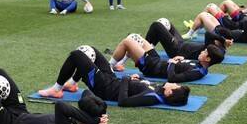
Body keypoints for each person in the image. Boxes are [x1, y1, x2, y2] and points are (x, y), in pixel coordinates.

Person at [39, 48, 191, 107]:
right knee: (90, 51)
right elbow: (137, 87)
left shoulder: (152, 97)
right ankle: (72, 83)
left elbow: (123, 102)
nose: (174, 83)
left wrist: (126, 79)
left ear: (169, 93)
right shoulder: (158, 90)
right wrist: (136, 79)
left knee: (76, 55)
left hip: (103, 87)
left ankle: (56, 89)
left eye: (175, 86)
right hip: (111, 79)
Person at [107, 33, 224, 82]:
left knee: (127, 41)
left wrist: (172, 63)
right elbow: (185, 65)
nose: (202, 51)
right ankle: (118, 63)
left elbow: (173, 78)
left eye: (204, 52)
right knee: (135, 37)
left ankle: (109, 67)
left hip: (152, 67)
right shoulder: (200, 65)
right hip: (157, 61)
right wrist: (180, 59)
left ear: (207, 59)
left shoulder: (198, 72)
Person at [144, 18, 233, 61]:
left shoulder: (213, 49)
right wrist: (223, 40)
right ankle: (150, 47)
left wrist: (223, 40)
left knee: (157, 25)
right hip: (181, 43)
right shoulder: (219, 48)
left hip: (176, 50)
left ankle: (144, 49)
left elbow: (208, 34)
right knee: (164, 22)